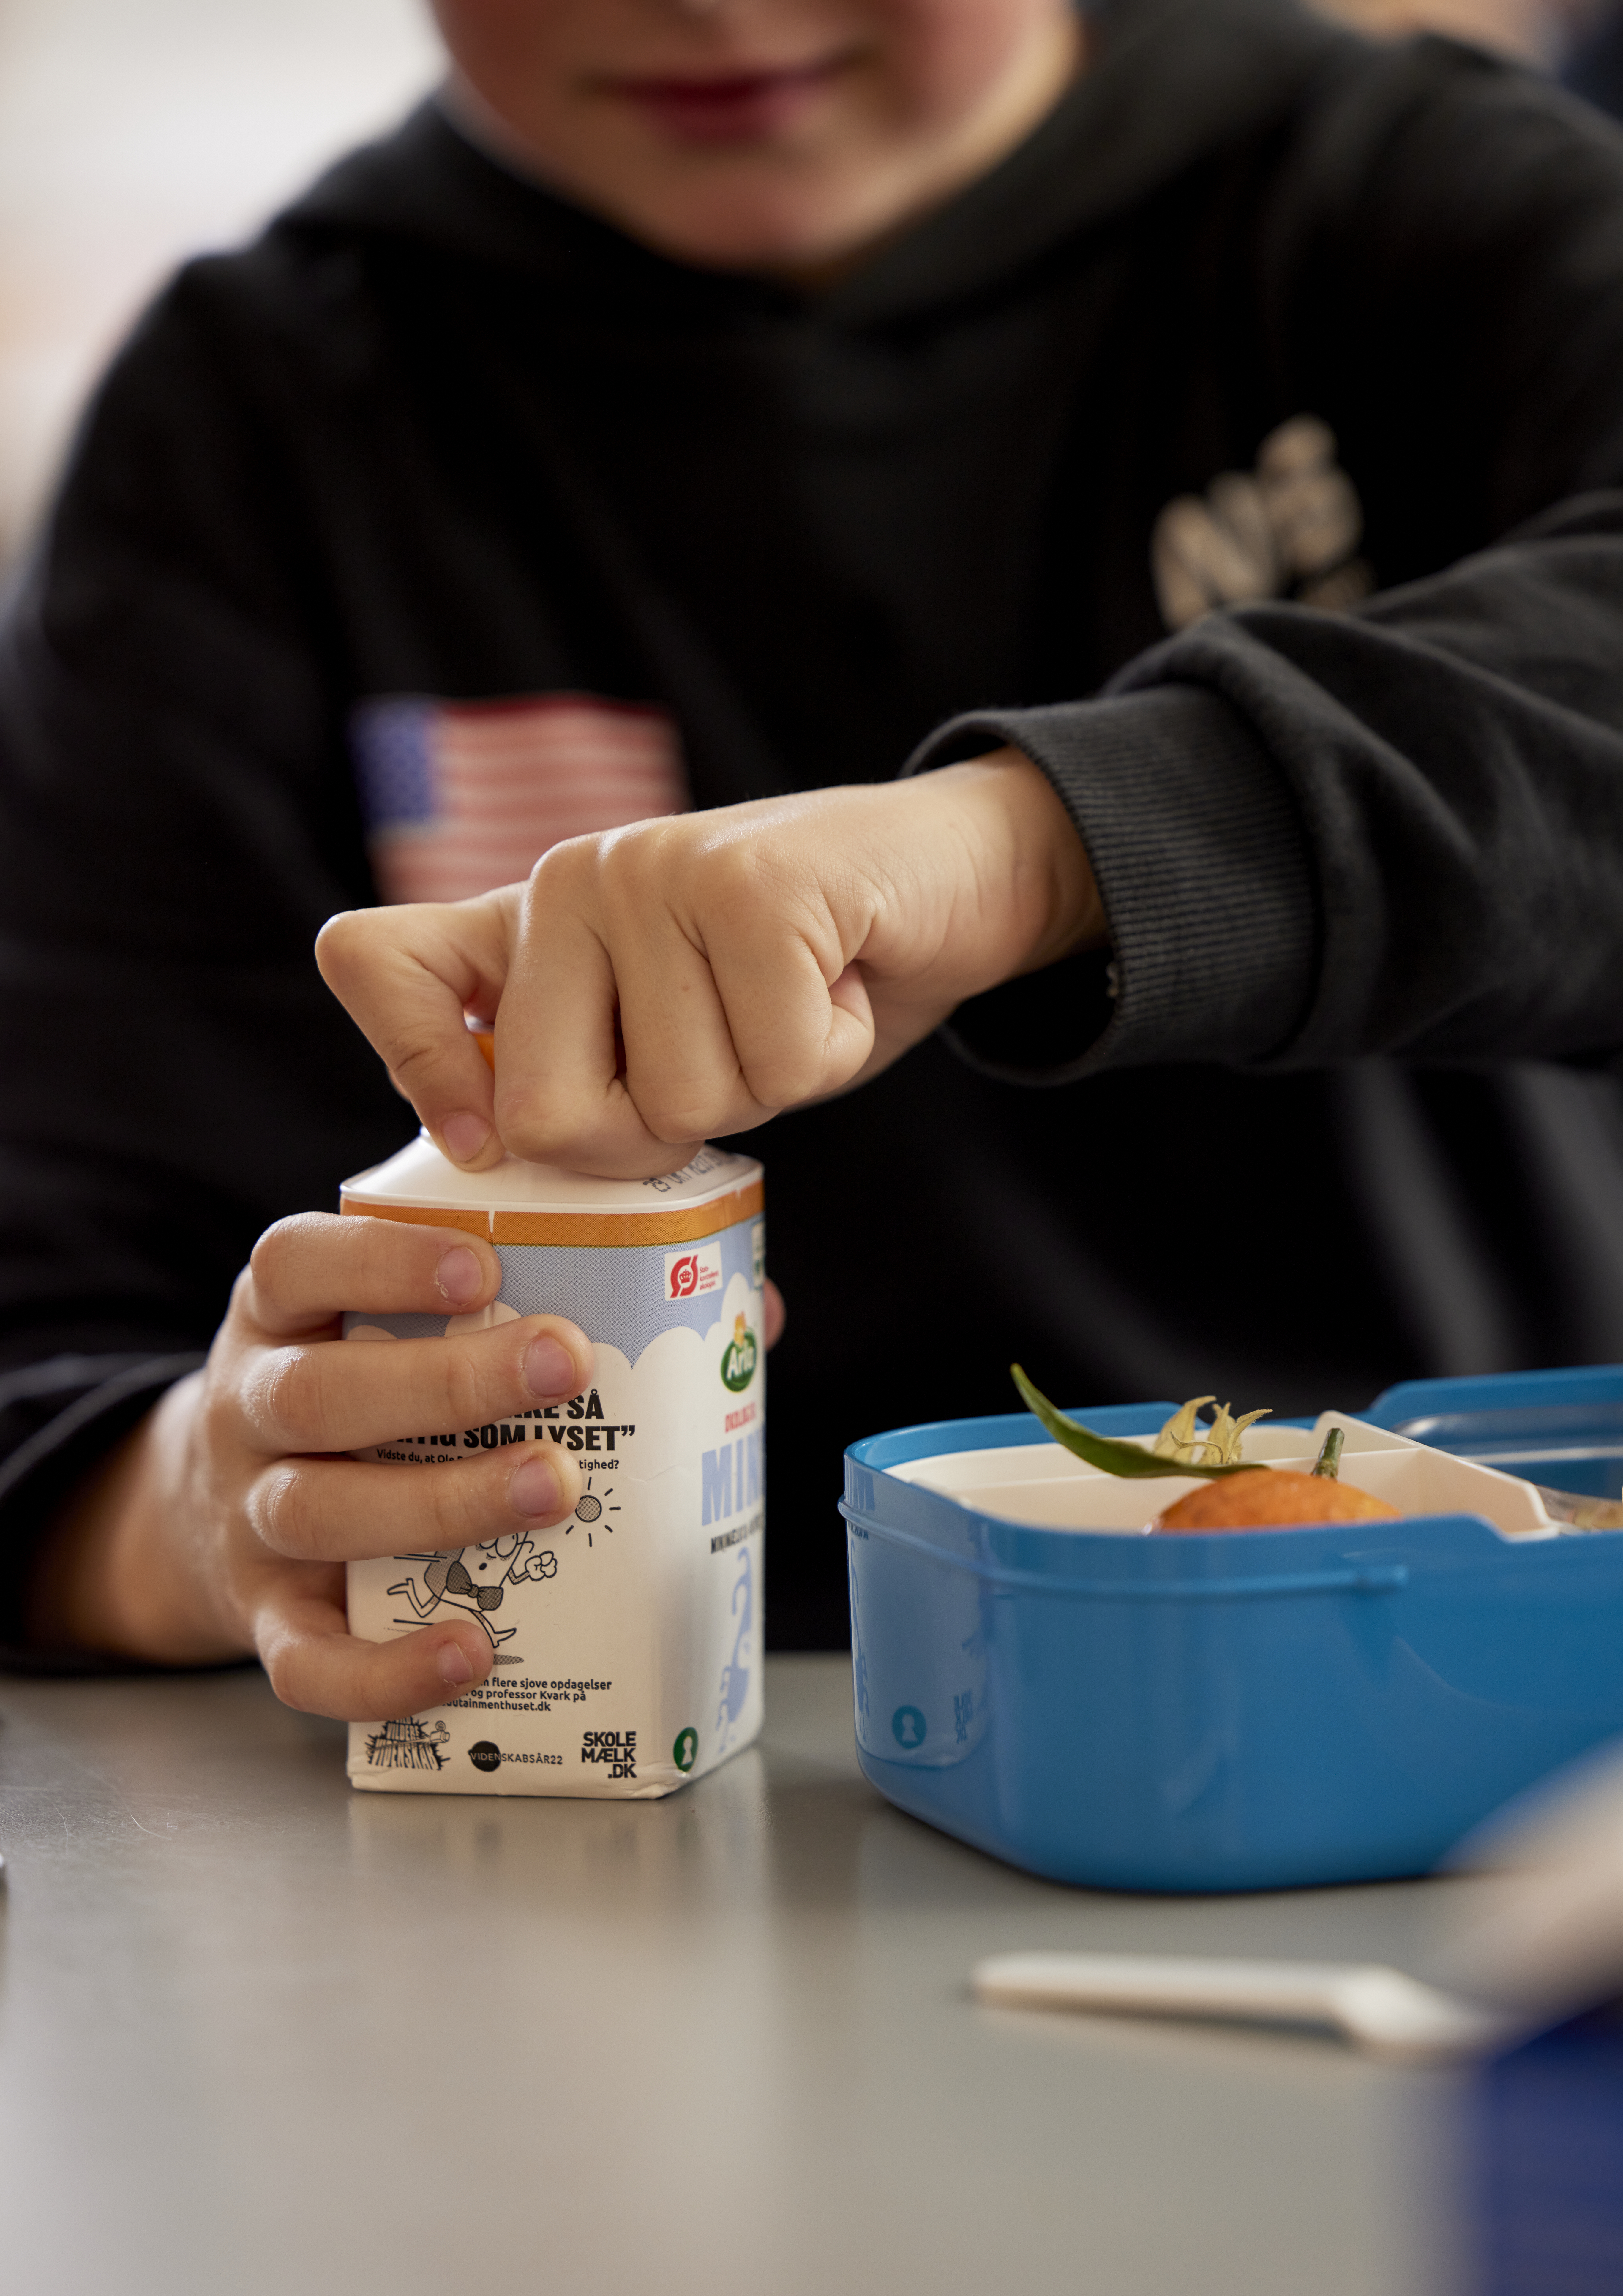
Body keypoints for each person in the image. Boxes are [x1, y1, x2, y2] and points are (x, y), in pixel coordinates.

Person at [4, 0, 1623, 1716]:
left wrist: (1050, 845)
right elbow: (48, 1317)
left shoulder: (1410, 204)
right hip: (579, 1794)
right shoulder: (262, 408)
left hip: (1448, 1703)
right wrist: (199, 1501)